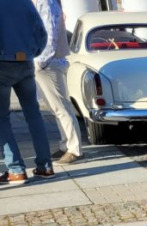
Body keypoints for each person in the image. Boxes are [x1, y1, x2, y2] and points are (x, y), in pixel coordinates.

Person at [1, 0, 53, 186]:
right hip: (25, 61)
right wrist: (32, 51)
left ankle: (16, 170)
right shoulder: (24, 2)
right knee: (33, 114)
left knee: (2, 119)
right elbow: (41, 32)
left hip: (2, 63)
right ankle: (45, 166)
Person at [33, 0, 82, 165]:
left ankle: (74, 149)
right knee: (56, 108)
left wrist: (40, 62)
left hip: (49, 63)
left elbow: (50, 32)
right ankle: (66, 145)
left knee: (61, 107)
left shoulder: (46, 2)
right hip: (46, 62)